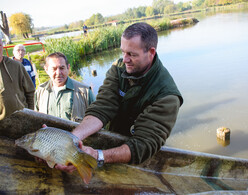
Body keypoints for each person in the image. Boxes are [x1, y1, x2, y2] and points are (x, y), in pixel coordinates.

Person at [56, 22, 183, 172]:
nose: (125, 59)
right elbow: (102, 108)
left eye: (132, 54)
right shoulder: (119, 68)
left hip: (138, 159)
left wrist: (97, 155)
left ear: (151, 52)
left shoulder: (167, 95)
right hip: (112, 139)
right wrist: (73, 139)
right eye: (123, 52)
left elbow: (143, 145)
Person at [35, 52, 95, 122]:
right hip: (49, 133)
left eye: (62, 68)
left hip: (76, 133)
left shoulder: (85, 92)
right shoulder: (40, 91)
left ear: (68, 68)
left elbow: (96, 119)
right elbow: (36, 119)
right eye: (54, 69)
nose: (58, 73)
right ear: (46, 70)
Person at [0, 36, 35, 119]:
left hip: (21, 120)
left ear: (3, 45)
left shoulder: (16, 66)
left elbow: (30, 92)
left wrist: (31, 116)